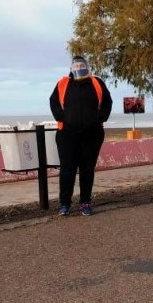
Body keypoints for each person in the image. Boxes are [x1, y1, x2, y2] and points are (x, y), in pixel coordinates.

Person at [49, 56, 113, 216]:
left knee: (87, 169)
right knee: (67, 170)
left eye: (81, 64)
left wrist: (100, 118)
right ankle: (65, 203)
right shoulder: (63, 83)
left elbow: (108, 102)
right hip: (67, 135)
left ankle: (85, 202)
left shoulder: (96, 82)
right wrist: (61, 117)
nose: (78, 67)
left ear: (86, 66)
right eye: (75, 65)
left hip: (92, 135)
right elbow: (53, 102)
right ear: (71, 68)